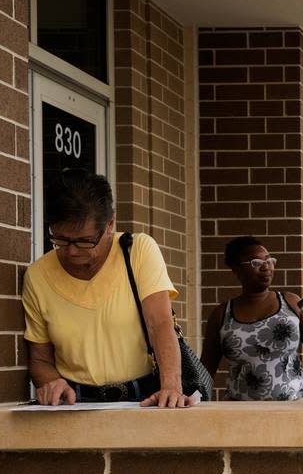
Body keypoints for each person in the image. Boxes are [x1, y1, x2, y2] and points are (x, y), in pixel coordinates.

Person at [22, 169, 191, 407]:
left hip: (145, 397)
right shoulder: (37, 276)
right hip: (75, 403)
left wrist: (171, 386)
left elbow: (160, 324)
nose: (71, 251)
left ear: (110, 223)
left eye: (84, 240)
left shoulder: (137, 251)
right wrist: (51, 382)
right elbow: (40, 359)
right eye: (60, 239)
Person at [200, 236, 303, 400]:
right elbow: (205, 370)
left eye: (269, 260)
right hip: (239, 414)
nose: (266, 267)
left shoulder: (291, 302)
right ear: (236, 269)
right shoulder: (221, 314)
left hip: (292, 412)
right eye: (256, 263)